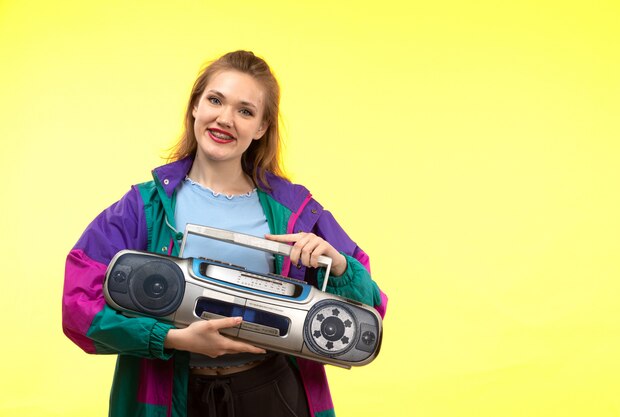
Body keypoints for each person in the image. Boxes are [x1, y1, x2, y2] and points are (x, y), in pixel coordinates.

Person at [62, 50, 387, 417]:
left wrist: (339, 266)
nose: (225, 119)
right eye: (215, 100)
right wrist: (169, 338)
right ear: (195, 108)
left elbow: (371, 312)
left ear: (262, 127)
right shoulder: (145, 206)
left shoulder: (297, 212)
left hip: (272, 392)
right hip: (170, 393)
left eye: (245, 111)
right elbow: (78, 307)